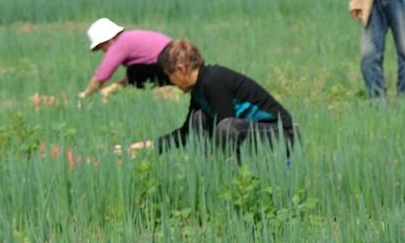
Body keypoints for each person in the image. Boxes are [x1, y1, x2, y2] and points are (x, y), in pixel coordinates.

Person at [117, 40, 297, 161]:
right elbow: (187, 134)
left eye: (170, 76)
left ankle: (230, 177)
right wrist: (147, 147)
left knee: (226, 128)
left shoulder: (214, 81)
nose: (171, 82)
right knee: (198, 119)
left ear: (181, 69)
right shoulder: (199, 90)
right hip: (249, 132)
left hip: (282, 134)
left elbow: (227, 128)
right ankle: (208, 172)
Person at [79, 18, 173, 101]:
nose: (103, 51)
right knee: (135, 71)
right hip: (172, 60)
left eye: (101, 47)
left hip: (168, 64)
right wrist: (112, 88)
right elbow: (133, 75)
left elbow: (101, 76)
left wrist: (86, 94)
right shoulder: (128, 38)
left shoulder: (119, 44)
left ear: (107, 40)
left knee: (135, 71)